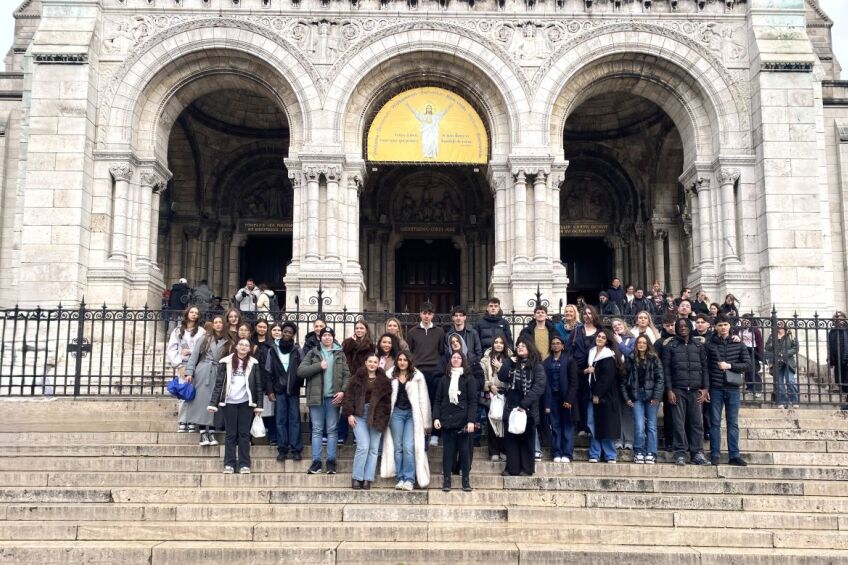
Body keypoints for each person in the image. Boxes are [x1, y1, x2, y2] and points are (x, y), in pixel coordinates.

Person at [298, 327, 351, 475]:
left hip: (333, 397)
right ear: (320, 338)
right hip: (316, 398)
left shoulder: (339, 354)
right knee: (317, 430)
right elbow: (300, 371)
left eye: (329, 335)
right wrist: (318, 366)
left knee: (332, 430)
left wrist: (342, 391)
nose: (327, 338)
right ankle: (316, 462)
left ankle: (331, 461)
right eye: (324, 335)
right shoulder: (313, 353)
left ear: (333, 338)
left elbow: (347, 375)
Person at [207, 338, 264, 474]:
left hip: (246, 403)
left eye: (246, 345)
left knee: (244, 434)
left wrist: (258, 406)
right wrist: (213, 403)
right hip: (229, 402)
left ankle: (245, 464)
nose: (244, 347)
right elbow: (219, 384)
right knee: (231, 434)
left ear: (249, 349)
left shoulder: (253, 363)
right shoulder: (225, 362)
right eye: (241, 344)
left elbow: (258, 386)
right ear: (236, 347)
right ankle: (229, 464)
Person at [381, 351, 432, 490]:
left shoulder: (417, 376)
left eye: (405, 360)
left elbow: (423, 399)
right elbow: (384, 397)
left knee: (408, 447)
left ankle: (409, 478)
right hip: (396, 414)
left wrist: (427, 423)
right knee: (398, 448)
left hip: (412, 415)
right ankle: (401, 477)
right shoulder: (390, 375)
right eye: (400, 359)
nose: (402, 362)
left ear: (409, 361)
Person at [663, 318, 710, 466]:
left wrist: (705, 388)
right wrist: (669, 390)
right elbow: (667, 370)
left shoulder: (698, 345)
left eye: (685, 326)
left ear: (690, 327)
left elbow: (704, 368)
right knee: (678, 423)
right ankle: (680, 453)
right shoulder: (670, 346)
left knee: (697, 423)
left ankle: (698, 453)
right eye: (680, 326)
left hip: (696, 390)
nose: (683, 328)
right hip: (678, 390)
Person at [706, 315, 752, 466]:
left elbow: (747, 364)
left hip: (732, 388)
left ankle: (734, 455)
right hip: (716, 388)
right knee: (715, 423)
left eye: (725, 324)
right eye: (720, 325)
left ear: (730, 326)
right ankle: (715, 455)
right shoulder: (710, 344)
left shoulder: (738, 344)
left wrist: (730, 366)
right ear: (715, 327)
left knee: (733, 423)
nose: (723, 327)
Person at [342, 353, 392, 489]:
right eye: (370, 361)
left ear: (378, 364)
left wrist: (383, 418)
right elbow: (348, 397)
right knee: (363, 446)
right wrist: (349, 414)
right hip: (359, 414)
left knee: (373, 448)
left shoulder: (384, 381)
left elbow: (388, 403)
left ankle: (367, 479)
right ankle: (357, 477)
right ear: (365, 363)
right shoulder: (356, 379)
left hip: (377, 415)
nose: (372, 364)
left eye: (375, 362)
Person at [433, 351, 478, 492]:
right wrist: (436, 417)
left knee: (464, 452)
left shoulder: (469, 378)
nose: (456, 359)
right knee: (448, 452)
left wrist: (471, 420)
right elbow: (438, 400)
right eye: (454, 357)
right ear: (450, 360)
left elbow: (473, 402)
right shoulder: (444, 379)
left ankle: (465, 480)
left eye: (459, 358)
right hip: (447, 420)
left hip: (463, 421)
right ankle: (447, 480)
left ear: (463, 360)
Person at [184, 315, 231, 445]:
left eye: (220, 322)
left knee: (214, 402)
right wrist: (189, 372)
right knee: (201, 402)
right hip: (203, 371)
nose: (218, 325)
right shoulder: (204, 338)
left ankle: (211, 431)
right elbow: (194, 356)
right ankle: (203, 433)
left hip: (219, 371)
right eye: (215, 322)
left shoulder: (228, 340)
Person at [620, 335, 664, 464]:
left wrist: (657, 397)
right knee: (639, 425)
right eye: (639, 342)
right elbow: (623, 381)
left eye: (644, 343)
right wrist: (627, 398)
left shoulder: (654, 359)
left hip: (651, 397)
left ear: (648, 344)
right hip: (636, 396)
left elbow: (660, 379)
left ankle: (651, 453)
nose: (641, 345)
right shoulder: (630, 358)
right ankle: (639, 451)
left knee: (651, 425)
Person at [264, 322, 304, 461]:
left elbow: (302, 369)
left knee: (294, 420)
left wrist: (298, 383)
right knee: (280, 420)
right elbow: (268, 371)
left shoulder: (297, 350)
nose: (287, 334)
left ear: (293, 334)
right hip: (279, 389)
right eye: (285, 331)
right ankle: (282, 449)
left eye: (289, 332)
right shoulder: (273, 349)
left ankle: (296, 449)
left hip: (293, 389)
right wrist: (270, 390)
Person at [584, 330, 623, 463]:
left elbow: (607, 378)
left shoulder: (608, 355)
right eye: (598, 336)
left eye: (603, 337)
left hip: (605, 396)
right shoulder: (591, 352)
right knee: (592, 423)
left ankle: (610, 454)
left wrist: (597, 394)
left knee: (606, 424)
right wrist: (586, 371)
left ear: (607, 341)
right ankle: (595, 452)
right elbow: (588, 371)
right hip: (591, 393)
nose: (600, 338)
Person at [407, 302, 445, 437]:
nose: (426, 316)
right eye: (424, 313)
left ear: (433, 315)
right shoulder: (412, 332)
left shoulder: (440, 332)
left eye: (429, 314)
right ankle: (421, 431)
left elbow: (441, 351)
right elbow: (410, 352)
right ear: (420, 314)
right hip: (418, 371)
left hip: (435, 371)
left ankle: (435, 433)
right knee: (419, 402)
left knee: (435, 400)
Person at [167, 306, 206, 433]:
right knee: (184, 392)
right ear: (187, 313)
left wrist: (190, 351)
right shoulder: (178, 331)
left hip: (197, 365)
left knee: (195, 394)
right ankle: (182, 420)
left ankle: (192, 420)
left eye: (196, 313)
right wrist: (178, 365)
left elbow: (204, 349)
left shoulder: (201, 331)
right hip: (183, 364)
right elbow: (172, 349)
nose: (194, 314)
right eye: (192, 312)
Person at [543, 336, 577, 463]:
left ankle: (567, 454)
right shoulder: (546, 362)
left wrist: (569, 399)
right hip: (553, 398)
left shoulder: (569, 360)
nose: (555, 345)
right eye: (553, 343)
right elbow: (545, 383)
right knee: (555, 426)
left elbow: (574, 382)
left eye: (558, 343)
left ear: (563, 346)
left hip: (566, 398)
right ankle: (556, 452)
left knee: (567, 425)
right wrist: (547, 402)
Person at [572, 305, 601, 435]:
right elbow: (568, 349)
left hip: (595, 369)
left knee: (592, 398)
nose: (587, 315)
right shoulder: (577, 330)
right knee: (580, 398)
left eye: (590, 313)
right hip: (578, 369)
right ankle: (582, 426)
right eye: (584, 313)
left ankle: (591, 427)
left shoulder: (600, 332)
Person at [481, 334, 511, 461]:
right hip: (492, 394)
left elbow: (512, 376)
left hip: (506, 394)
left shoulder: (510, 359)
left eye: (501, 342)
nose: (498, 344)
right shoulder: (485, 360)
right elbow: (482, 377)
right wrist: (490, 386)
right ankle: (494, 451)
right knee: (492, 422)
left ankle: (504, 449)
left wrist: (500, 367)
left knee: (504, 422)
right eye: (496, 342)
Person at [611, 318, 635, 451]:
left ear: (624, 325)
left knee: (627, 409)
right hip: (615, 378)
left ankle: (630, 439)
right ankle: (618, 438)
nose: (617, 327)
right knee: (617, 410)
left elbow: (631, 355)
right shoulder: (611, 341)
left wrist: (621, 343)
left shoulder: (632, 339)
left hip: (628, 378)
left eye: (619, 324)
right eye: (614, 326)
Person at [765, 321, 799, 409]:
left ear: (784, 324)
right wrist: (774, 342)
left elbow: (796, 348)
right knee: (779, 383)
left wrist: (785, 353)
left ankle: (794, 401)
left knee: (790, 381)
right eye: (777, 323)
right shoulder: (772, 336)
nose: (778, 324)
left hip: (788, 362)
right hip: (777, 362)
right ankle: (783, 402)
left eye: (780, 323)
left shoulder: (791, 335)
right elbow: (767, 347)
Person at [738, 314, 764, 400]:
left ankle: (757, 389)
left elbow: (760, 342)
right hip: (742, 351)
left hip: (752, 351)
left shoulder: (755, 330)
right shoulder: (739, 330)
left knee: (753, 370)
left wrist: (760, 354)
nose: (745, 321)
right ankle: (749, 387)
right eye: (743, 320)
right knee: (746, 370)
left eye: (747, 320)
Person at [827, 311, 848, 406]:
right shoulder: (832, 331)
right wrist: (830, 358)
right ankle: (844, 403)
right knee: (839, 380)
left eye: (839, 317)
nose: (838, 319)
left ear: (844, 318)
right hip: (837, 359)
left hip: (847, 358)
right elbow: (830, 345)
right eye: (836, 318)